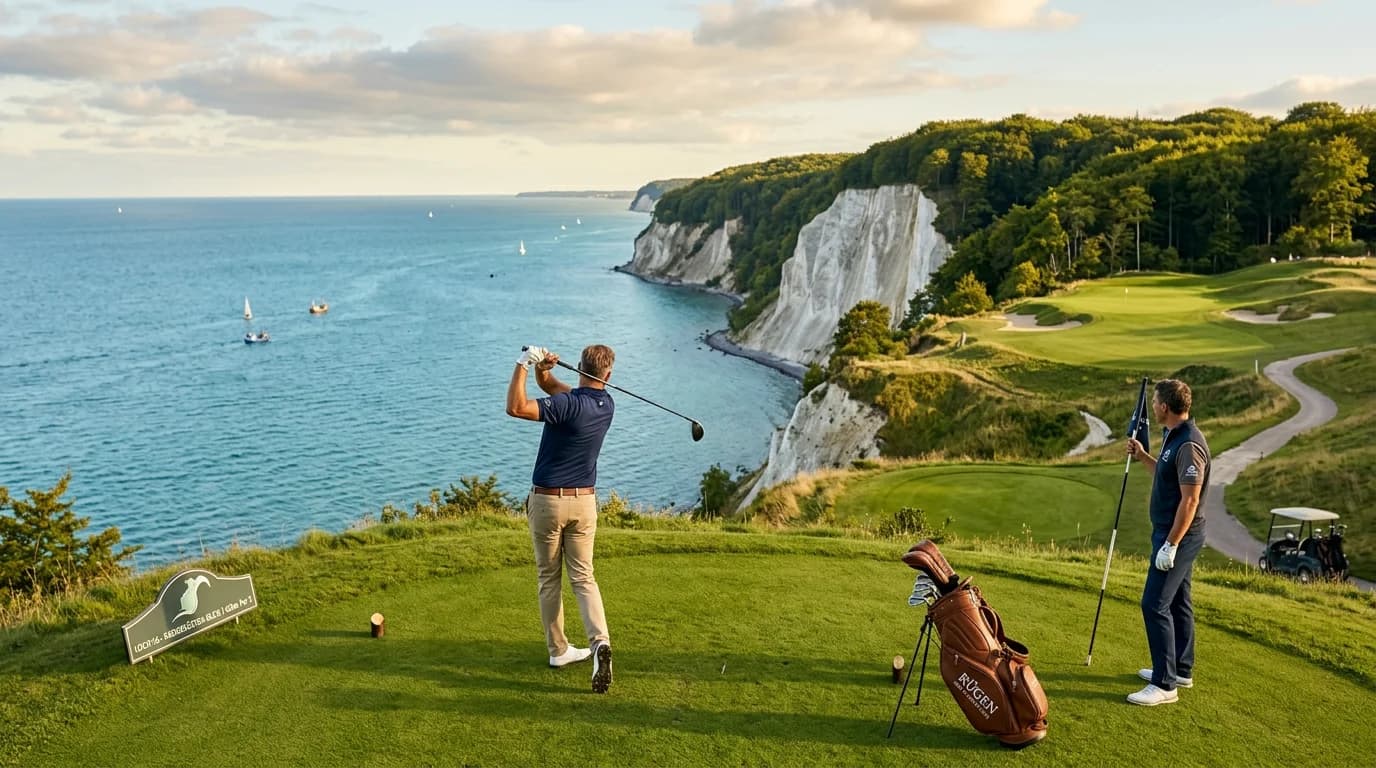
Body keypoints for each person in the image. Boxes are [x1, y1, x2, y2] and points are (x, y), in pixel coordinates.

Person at [505, 343, 616, 694]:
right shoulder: (605, 405)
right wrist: (544, 371)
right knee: (584, 577)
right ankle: (600, 643)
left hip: (548, 502)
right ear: (608, 375)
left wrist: (523, 363)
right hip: (584, 504)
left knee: (549, 577)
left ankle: (559, 651)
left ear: (580, 366)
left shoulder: (568, 405)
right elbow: (556, 390)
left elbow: (516, 407)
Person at [1124, 378, 1210, 706]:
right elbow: (1164, 473)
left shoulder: (1189, 444)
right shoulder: (1174, 435)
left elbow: (1190, 500)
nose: (1153, 406)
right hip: (1172, 532)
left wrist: (1171, 544)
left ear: (1163, 407)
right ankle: (1180, 670)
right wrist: (1143, 455)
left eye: (1155, 402)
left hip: (1179, 535)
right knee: (1177, 601)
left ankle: (1164, 684)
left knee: (1154, 603)